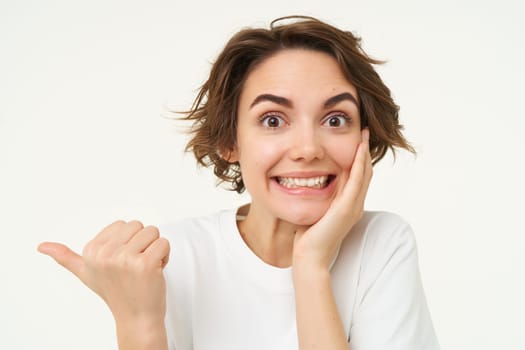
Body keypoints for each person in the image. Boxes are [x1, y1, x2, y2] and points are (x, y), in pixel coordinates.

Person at [38, 16, 440, 350]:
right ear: (230, 142)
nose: (307, 148)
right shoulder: (169, 260)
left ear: (364, 138)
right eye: (273, 120)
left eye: (335, 120)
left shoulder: (382, 244)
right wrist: (139, 322)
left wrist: (312, 266)